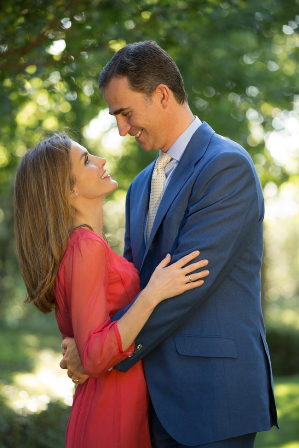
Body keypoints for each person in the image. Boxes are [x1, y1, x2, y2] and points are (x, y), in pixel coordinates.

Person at [60, 41, 278, 447]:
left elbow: (186, 282)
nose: (122, 130)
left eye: (125, 113)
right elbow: (126, 282)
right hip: (148, 398)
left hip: (212, 397)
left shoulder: (226, 166)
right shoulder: (140, 186)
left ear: (161, 95)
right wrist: (84, 337)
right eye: (116, 117)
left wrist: (105, 352)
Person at [14, 133, 210, 448]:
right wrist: (152, 294)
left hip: (115, 405)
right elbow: (92, 356)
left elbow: (90, 336)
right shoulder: (87, 247)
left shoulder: (85, 245)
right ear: (69, 190)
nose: (101, 161)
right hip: (111, 414)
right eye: (87, 161)